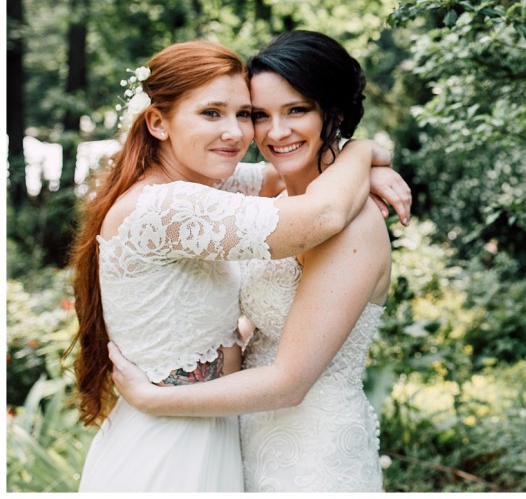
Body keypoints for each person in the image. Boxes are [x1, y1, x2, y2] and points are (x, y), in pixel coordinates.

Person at [71, 40, 411, 492]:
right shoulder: (170, 205)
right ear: (157, 122)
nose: (243, 133)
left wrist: (356, 158)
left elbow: (282, 174)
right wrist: (363, 152)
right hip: (174, 442)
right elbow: (321, 213)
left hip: (280, 448)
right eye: (212, 113)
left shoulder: (204, 185)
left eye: (242, 114)